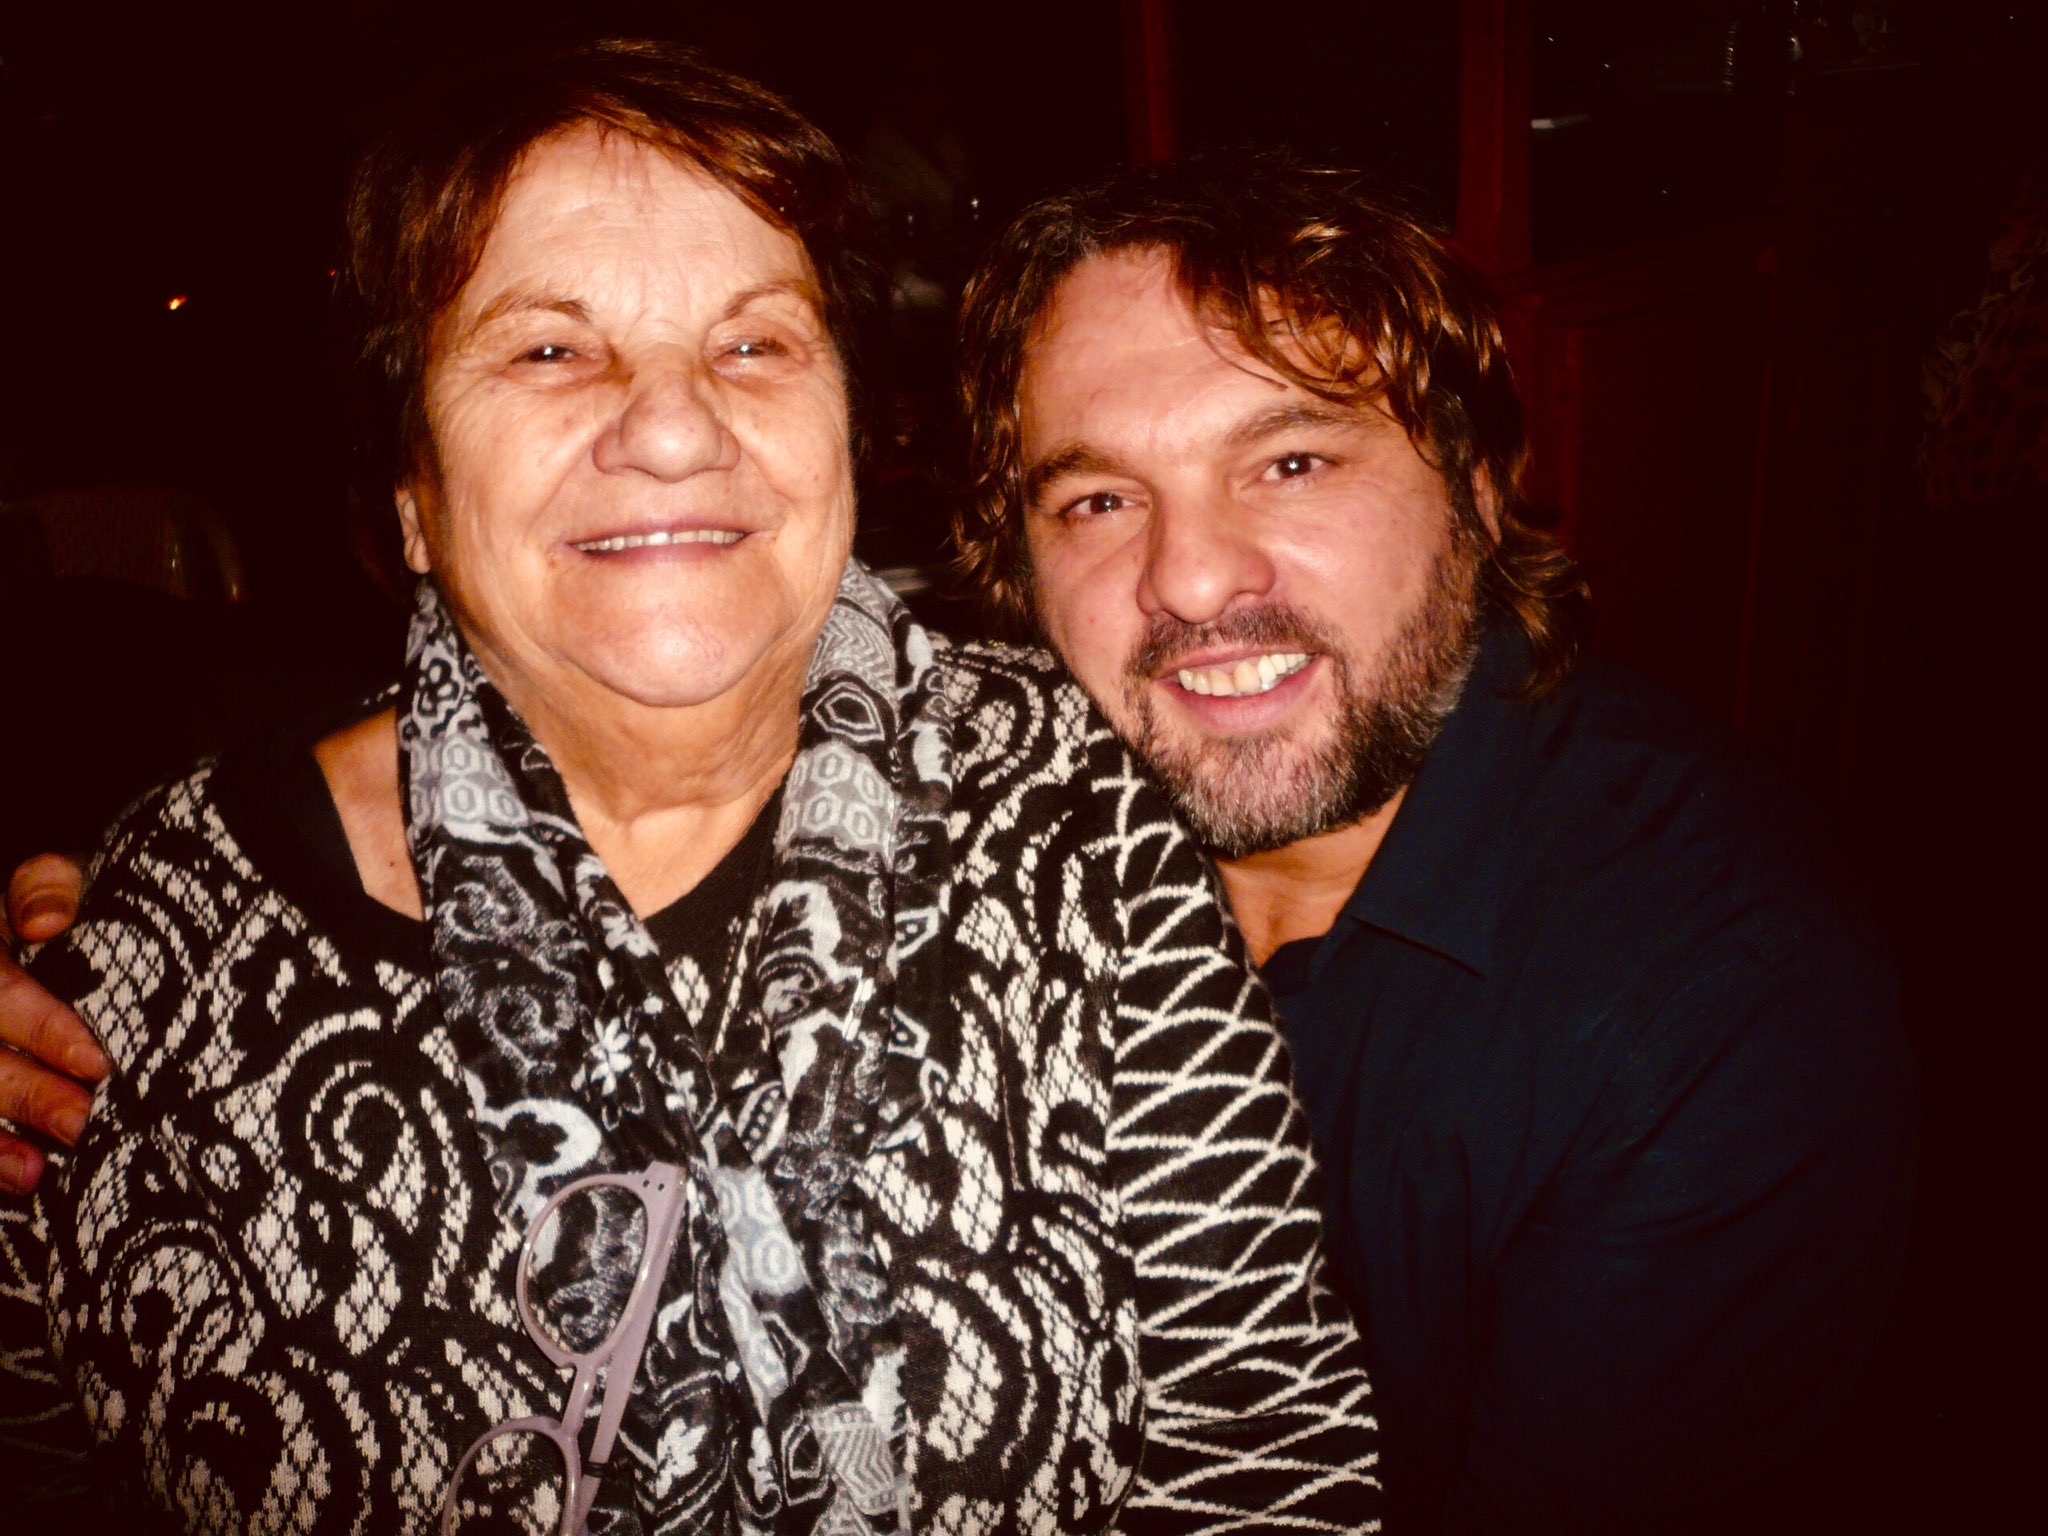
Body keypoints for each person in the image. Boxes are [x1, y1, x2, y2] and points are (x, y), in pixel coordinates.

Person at [0, 49, 1379, 1533]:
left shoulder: (1067, 800)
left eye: (754, 345)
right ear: (410, 486)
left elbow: (1263, 1449)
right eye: (549, 350)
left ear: (848, 431)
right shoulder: (154, 953)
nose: (671, 429)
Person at [945, 154, 1916, 1532]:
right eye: (1099, 499)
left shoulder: (1723, 1010)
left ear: (1475, 488)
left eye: (1290, 462)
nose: (1194, 579)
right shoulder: (983, 857)